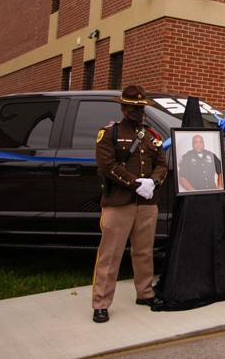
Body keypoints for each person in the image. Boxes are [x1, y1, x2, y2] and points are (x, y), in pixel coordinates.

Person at [91, 85, 167, 323]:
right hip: (119, 203)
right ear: (123, 108)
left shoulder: (152, 135)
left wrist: (153, 183)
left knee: (144, 252)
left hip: (146, 203)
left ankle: (144, 293)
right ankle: (101, 302)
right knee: (110, 255)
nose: (137, 112)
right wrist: (136, 184)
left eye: (140, 108)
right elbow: (107, 166)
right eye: (133, 108)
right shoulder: (109, 133)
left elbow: (162, 164)